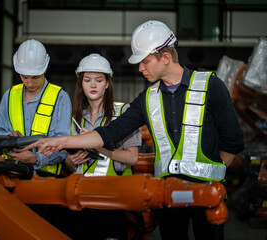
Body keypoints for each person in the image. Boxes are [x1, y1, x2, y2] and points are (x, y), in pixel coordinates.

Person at [25, 20, 245, 240]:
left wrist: (210, 175)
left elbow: (232, 141)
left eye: (145, 62)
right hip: (167, 194)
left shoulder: (210, 86)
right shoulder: (148, 99)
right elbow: (110, 133)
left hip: (209, 193)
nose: (140, 68)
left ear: (165, 58)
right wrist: (61, 142)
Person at [60, 53, 141, 239]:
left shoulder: (123, 112)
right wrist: (70, 161)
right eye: (87, 80)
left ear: (107, 83)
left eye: (98, 80)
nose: (93, 85)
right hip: (80, 199)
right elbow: (71, 165)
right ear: (81, 83)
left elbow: (132, 158)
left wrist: (96, 144)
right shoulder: (74, 119)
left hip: (111, 199)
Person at [0, 39, 72, 177]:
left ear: (45, 68)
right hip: (12, 175)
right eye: (24, 77)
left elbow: (64, 145)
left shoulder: (60, 98)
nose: (30, 83)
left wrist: (36, 159)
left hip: (48, 180)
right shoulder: (10, 95)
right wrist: (7, 138)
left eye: (35, 77)